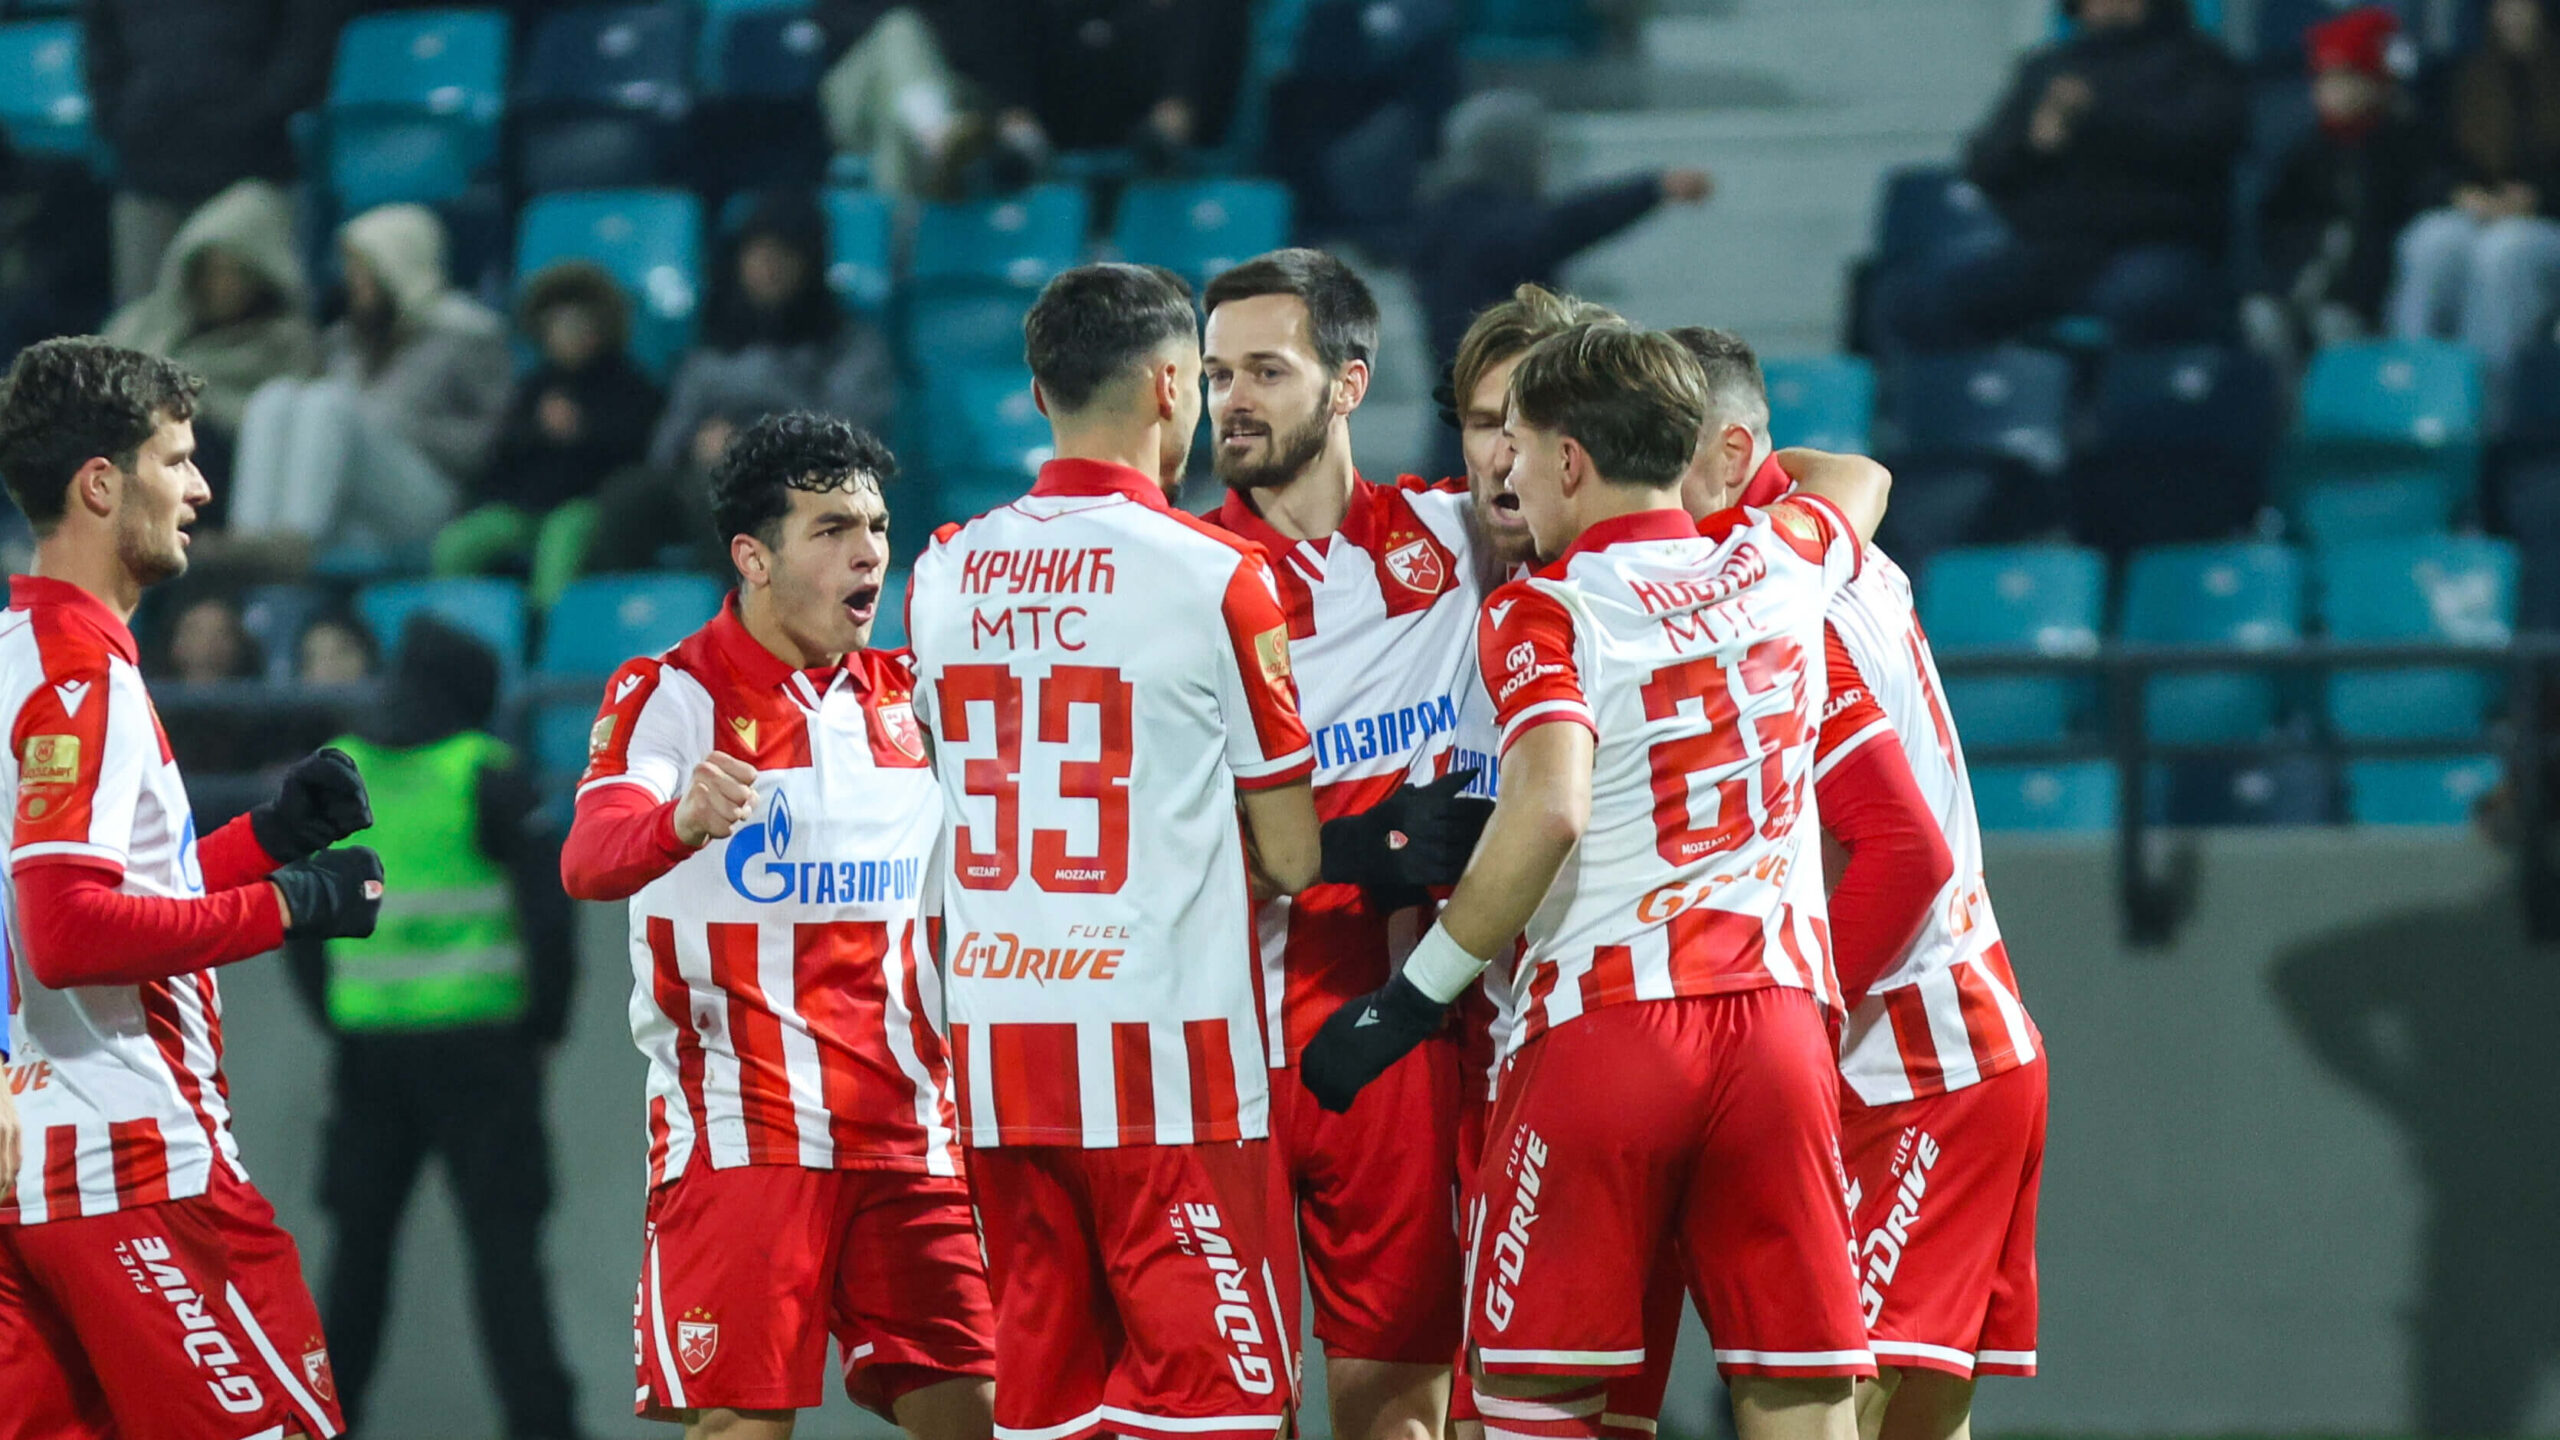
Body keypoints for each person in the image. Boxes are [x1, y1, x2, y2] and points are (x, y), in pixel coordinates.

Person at [1300, 322, 1888, 1440]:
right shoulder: (1780, 557)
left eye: (1518, 443)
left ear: (1570, 459)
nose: (1504, 471)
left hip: (1607, 1035)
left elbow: (1550, 807)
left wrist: (1409, 1000)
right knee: (1803, 1399)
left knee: (1537, 1403)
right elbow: (1858, 478)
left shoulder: (1544, 609)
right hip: (1778, 1033)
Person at [905, 262, 1326, 1440]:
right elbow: (1294, 858)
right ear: (1171, 385)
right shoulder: (1216, 574)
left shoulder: (941, 571)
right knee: (1218, 1416)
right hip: (1168, 1073)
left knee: (1046, 1415)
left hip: (1001, 1062)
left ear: (1040, 395)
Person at [563, 412, 998, 1439]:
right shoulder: (672, 694)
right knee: (742, 1427)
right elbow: (589, 857)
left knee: (982, 1414)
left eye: (877, 526)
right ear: (753, 558)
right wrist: (679, 821)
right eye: (832, 529)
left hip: (909, 1131)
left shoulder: (914, 699)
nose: (869, 552)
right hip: (746, 1131)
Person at [0, 335, 384, 1437]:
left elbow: (89, 889)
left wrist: (264, 841)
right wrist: (290, 907)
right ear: (100, 484)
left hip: (38, 1173)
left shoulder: (20, 651)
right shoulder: (81, 676)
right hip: (133, 1163)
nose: (202, 489)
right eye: (176, 460)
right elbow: (67, 932)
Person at [1694, 328, 2047, 1440]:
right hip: (1954, 1042)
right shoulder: (1818, 543)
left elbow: (1904, 856)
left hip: (1917, 1058)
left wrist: (1787, 1029)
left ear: (1731, 451)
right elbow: (1851, 476)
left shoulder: (1781, 600)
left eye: (1655, 450)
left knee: (1827, 1411)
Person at [1201, 248, 1494, 1440]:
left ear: (1349, 384)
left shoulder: (1459, 538)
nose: (1233, 400)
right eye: (1217, 374)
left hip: (1393, 1047)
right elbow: (1132, 837)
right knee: (1226, 1417)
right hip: (1219, 1056)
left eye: (1266, 370)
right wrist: (1350, 847)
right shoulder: (1184, 578)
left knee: (1401, 1413)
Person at [285, 615, 582, 1440]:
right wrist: (545, 1027)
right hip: (485, 1054)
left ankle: (321, 1424)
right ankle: (545, 1429)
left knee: (357, 1260)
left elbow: (294, 915)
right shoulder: (490, 774)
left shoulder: (334, 772)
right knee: (506, 1256)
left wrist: (337, 1014)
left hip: (369, 1055)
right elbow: (548, 922)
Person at [1880, 0, 2242, 352]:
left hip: (2153, 246)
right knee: (1917, 299)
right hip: (2050, 252)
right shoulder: (2049, 69)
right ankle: (1991, 387)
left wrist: (2097, 116)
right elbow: (1984, 166)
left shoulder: (2199, 63)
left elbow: (2203, 139)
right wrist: (2033, 141)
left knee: (2148, 300)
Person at [1409, 89, 1711, 456]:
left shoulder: (1444, 216)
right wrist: (1651, 190)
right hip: (1495, 425)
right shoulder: (1475, 223)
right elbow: (1563, 225)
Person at [231, 204, 512, 551]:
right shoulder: (346, 340)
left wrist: (407, 425)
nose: (353, 281)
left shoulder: (466, 334)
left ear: (398, 265)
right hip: (353, 501)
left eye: (365, 269)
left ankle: (294, 542)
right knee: (276, 396)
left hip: (431, 495)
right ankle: (250, 540)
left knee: (328, 403)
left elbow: (494, 442)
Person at [80, 0, 339, 306]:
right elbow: (99, 42)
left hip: (254, 175)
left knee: (262, 313)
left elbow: (309, 39)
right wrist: (125, 117)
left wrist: (257, 115)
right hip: (148, 172)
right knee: (142, 319)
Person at [438, 261, 664, 607]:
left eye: (578, 323)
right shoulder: (533, 387)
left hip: (585, 506)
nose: (566, 334)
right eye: (557, 324)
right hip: (524, 507)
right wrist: (538, 431)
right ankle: (452, 621)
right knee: (455, 545)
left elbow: (637, 452)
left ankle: (547, 630)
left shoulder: (630, 386)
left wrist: (582, 431)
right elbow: (501, 450)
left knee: (560, 544)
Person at [2391, 0, 2560, 414]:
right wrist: (2462, 195)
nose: (2514, 18)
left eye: (2525, 8)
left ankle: (2481, 407)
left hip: (2545, 223)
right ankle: (2407, 390)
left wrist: (2537, 198)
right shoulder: (2462, 78)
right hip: (2476, 212)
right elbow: (2428, 165)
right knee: (2431, 240)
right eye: (2505, 8)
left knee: (2503, 252)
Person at [649, 192, 896, 472]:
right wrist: (697, 444)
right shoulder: (715, 344)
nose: (769, 266)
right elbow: (667, 443)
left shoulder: (849, 344)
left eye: (783, 253)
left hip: (800, 481)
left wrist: (750, 444)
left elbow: (851, 438)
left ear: (810, 263)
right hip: (706, 477)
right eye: (757, 253)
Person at [2249, 7, 2437, 365]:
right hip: (2303, 281)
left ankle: (2349, 397)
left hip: (2368, 295)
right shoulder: (2305, 152)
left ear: (2377, 83)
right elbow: (2275, 224)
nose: (2332, 92)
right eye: (2324, 79)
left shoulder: (2404, 147)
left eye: (2346, 78)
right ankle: (2285, 397)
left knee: (2335, 324)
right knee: (2262, 314)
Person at [101, 179, 317, 474]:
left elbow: (270, 428)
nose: (221, 285)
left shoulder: (285, 344)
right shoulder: (142, 326)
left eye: (233, 273)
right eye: (212, 270)